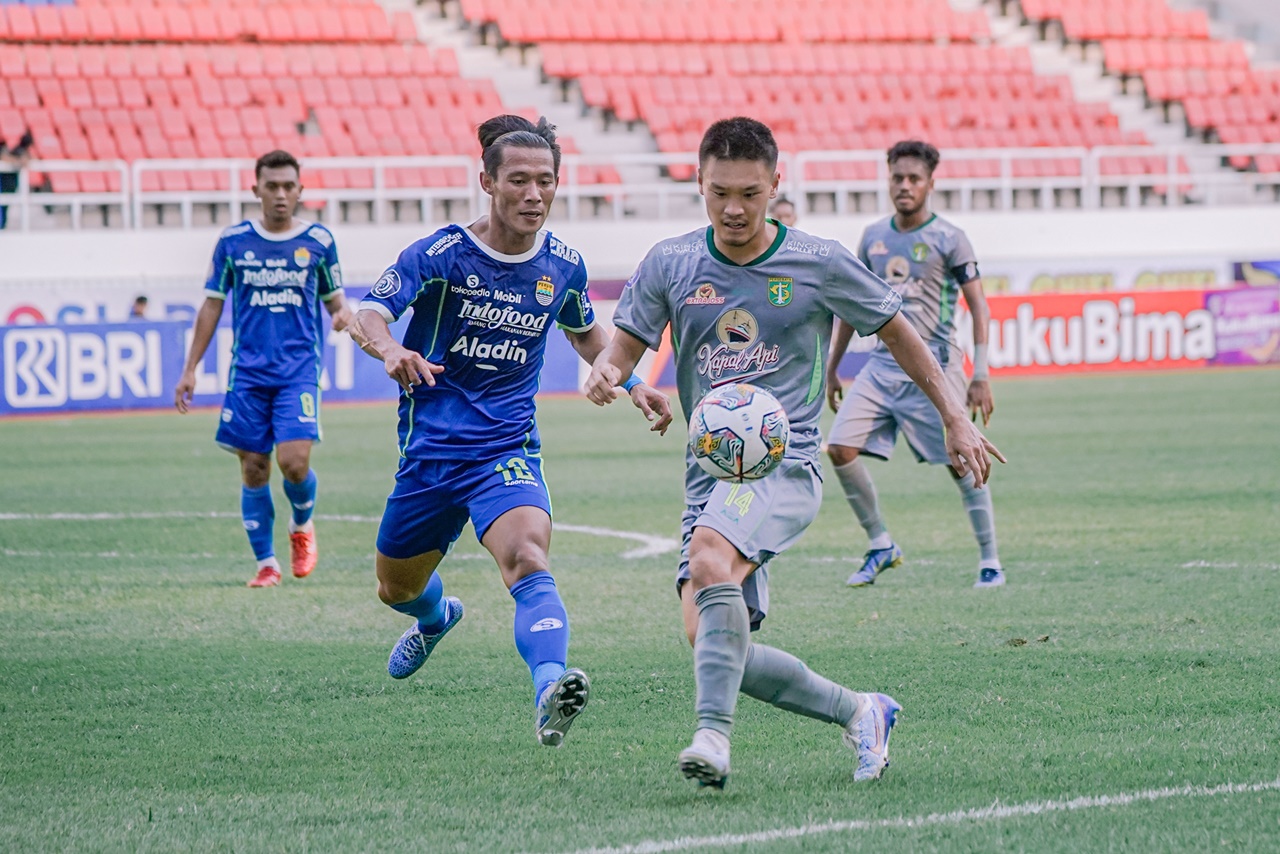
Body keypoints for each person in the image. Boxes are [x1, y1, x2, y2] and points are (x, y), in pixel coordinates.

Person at [586, 117, 1003, 789]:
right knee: (711, 641)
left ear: (775, 184)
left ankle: (712, 741)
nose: (733, 209)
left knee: (708, 559)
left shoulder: (818, 260)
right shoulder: (671, 262)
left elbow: (899, 332)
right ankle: (861, 711)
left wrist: (955, 415)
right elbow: (626, 345)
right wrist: (612, 372)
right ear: (697, 182)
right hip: (710, 475)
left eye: (750, 193)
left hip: (786, 461)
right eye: (719, 191)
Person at [347, 115, 671, 748]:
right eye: (518, 180)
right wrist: (387, 349)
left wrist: (629, 382)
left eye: (545, 181)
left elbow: (586, 333)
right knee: (395, 588)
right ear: (487, 183)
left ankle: (551, 689)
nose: (534, 194)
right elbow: (370, 312)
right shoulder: (440, 255)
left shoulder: (563, 266)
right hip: (431, 454)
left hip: (506, 448)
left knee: (527, 558)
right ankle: (436, 618)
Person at [825, 140, 1004, 590]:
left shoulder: (950, 238)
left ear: (930, 184)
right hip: (882, 367)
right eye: (897, 179)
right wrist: (833, 366)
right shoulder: (873, 238)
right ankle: (881, 543)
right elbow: (850, 304)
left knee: (960, 461)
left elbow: (979, 307)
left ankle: (990, 560)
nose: (904, 187)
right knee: (839, 448)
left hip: (937, 368)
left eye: (913, 179)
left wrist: (980, 373)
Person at [174, 150, 352, 588]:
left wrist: (344, 315)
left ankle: (301, 526)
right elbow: (212, 305)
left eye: (288, 186)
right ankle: (266, 564)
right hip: (248, 375)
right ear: (256, 190)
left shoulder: (319, 242)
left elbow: (335, 300)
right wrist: (190, 368)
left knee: (294, 463)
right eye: (271, 186)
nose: (280, 194)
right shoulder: (234, 242)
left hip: (298, 371)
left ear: (300, 191)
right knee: (254, 466)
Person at [0, 131, 34, 231]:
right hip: (6, 183)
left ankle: (3, 225)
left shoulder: (20, 151)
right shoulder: (17, 151)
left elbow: (26, 161)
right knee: (3, 206)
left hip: (10, 184)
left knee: (5, 206)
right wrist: (17, 161)